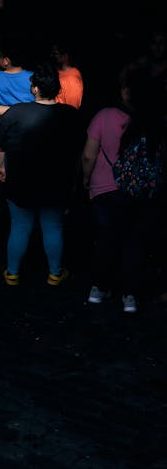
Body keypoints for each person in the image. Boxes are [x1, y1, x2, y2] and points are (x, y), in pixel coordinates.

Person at [81, 63, 166, 313]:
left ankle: (99, 288)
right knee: (135, 243)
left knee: (106, 239)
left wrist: (86, 181)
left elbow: (89, 156)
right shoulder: (154, 121)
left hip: (106, 192)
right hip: (142, 193)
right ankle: (129, 295)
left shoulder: (104, 116)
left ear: (126, 91)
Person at [0, 60, 84, 286]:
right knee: (53, 227)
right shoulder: (70, 115)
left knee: (20, 227)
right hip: (56, 183)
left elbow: (0, 146)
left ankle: (12, 273)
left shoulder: (15, 113)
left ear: (35, 88)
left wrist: (1, 168)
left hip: (21, 182)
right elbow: (80, 150)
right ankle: (55, 273)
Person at [0, 34, 34, 214]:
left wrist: (11, 110)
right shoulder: (31, 78)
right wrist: (20, 109)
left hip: (1, 131)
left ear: (6, 61)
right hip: (27, 129)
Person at [51, 41, 84, 109]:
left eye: (55, 53)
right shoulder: (55, 71)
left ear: (65, 55)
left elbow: (72, 107)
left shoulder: (72, 78)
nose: (52, 56)